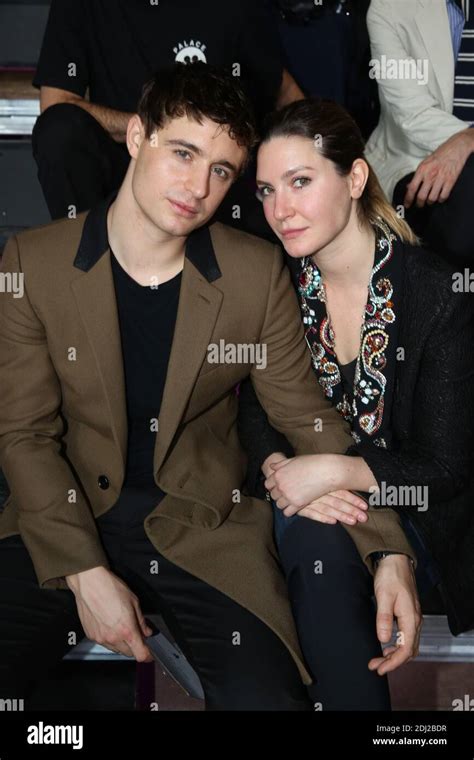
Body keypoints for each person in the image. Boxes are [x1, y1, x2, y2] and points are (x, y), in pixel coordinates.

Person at [0, 64, 418, 711]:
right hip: (61, 517)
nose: (199, 187)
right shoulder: (34, 262)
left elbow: (308, 417)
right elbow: (24, 433)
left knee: (266, 702)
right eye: (185, 153)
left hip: (204, 526)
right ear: (137, 135)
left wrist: (388, 549)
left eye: (222, 170)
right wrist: (84, 573)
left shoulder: (252, 274)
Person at [237, 96, 474, 710]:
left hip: (422, 514)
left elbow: (446, 468)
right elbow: (256, 411)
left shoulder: (437, 293)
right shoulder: (280, 284)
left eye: (300, 182)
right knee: (313, 533)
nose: (280, 210)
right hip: (308, 507)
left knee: (318, 535)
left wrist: (337, 471)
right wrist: (275, 466)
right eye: (265, 191)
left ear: (356, 178)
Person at [31, 0, 303, 235]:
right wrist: (164, 131)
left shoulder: (236, 7)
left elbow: (282, 90)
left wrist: (319, 151)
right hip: (123, 166)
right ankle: (87, 259)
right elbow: (57, 104)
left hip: (215, 178)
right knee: (59, 130)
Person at [366, 0, 474, 267]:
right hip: (414, 155)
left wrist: (469, 140)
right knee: (462, 226)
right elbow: (412, 114)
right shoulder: (388, 8)